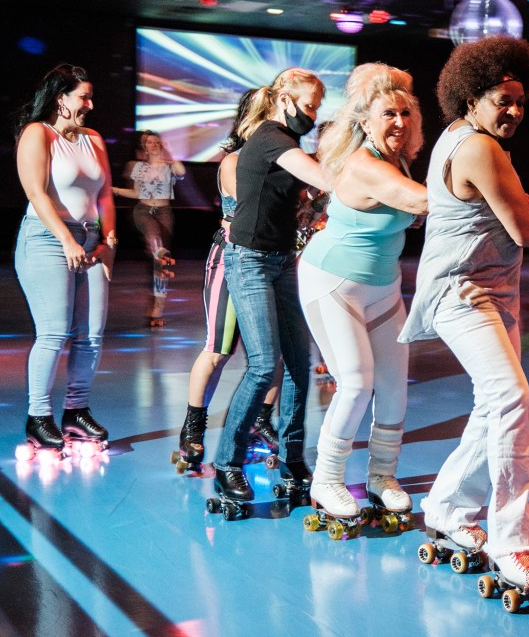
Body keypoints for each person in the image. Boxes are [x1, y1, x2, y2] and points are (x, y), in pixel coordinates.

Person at [399, 36, 529, 597]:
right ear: (469, 97)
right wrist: (527, 205)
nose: (512, 111)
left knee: (493, 405)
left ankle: (445, 507)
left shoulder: (458, 138)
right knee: (511, 397)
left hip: (488, 291)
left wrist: (519, 201)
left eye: (519, 100)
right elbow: (526, 230)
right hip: (464, 295)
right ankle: (512, 542)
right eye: (500, 100)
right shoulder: (480, 149)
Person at [297, 63, 428, 525]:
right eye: (389, 113)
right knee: (356, 383)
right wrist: (493, 187)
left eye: (405, 113)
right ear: (364, 122)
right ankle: (327, 479)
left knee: (393, 386)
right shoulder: (364, 164)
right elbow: (422, 202)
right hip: (333, 282)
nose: (399, 122)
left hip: (383, 287)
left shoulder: (397, 160)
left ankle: (382, 476)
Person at [210, 69, 330, 514]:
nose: (314, 115)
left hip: (280, 260)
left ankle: (293, 460)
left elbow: (304, 195)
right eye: (310, 106)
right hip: (250, 260)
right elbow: (324, 177)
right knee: (263, 365)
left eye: (319, 107)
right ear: (284, 99)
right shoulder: (269, 136)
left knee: (300, 363)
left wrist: (311, 207)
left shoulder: (284, 141)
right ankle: (227, 463)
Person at [13, 63, 116, 456]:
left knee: (91, 334)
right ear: (62, 98)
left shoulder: (93, 139)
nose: (90, 103)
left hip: (90, 239)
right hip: (45, 238)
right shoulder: (37, 134)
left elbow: (104, 194)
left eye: (90, 96)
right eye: (83, 96)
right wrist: (66, 241)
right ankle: (39, 418)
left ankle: (76, 412)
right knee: (54, 331)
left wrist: (108, 240)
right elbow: (37, 194)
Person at [174, 89, 281, 472]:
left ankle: (261, 420)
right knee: (219, 350)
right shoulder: (235, 161)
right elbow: (251, 211)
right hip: (232, 258)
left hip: (271, 260)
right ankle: (194, 427)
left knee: (272, 353)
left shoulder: (283, 160)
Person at [112, 130, 186, 326]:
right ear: (143, 146)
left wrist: (169, 153)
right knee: (158, 247)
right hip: (144, 212)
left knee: (159, 265)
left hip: (164, 213)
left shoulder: (169, 166)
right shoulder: (136, 166)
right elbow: (136, 192)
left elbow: (181, 172)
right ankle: (155, 247)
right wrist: (115, 191)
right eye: (148, 142)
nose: (153, 145)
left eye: (156, 142)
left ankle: (157, 310)